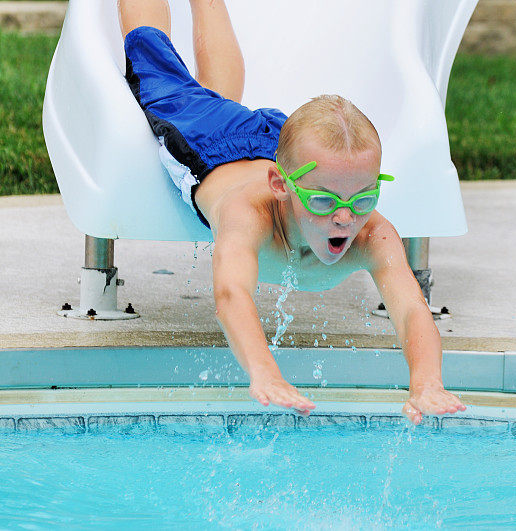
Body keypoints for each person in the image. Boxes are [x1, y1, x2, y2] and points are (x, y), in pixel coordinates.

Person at [117, 0, 466, 425]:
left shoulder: (368, 228)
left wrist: (427, 382)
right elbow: (231, 295)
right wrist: (263, 371)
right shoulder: (249, 215)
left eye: (362, 200)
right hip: (209, 145)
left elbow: (412, 309)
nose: (345, 219)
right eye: (323, 202)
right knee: (153, 59)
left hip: (281, 144)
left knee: (217, 98)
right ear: (281, 189)